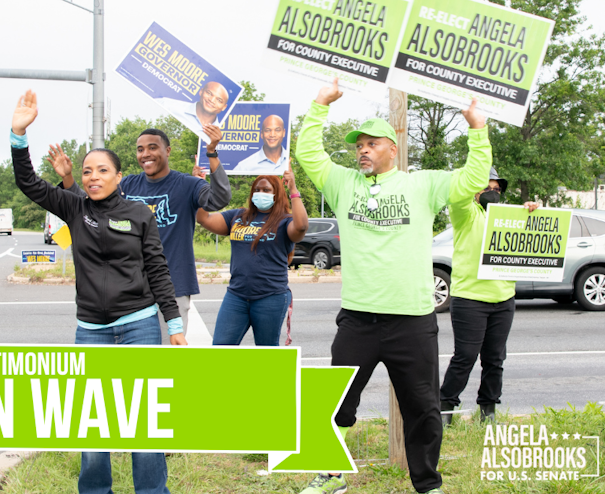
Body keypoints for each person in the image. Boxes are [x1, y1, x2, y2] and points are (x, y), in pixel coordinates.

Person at [294, 78, 491, 494]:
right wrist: (319, 104)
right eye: (358, 145)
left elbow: (473, 177)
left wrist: (477, 128)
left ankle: (428, 484)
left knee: (423, 408)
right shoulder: (343, 184)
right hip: (359, 319)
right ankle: (330, 475)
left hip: (412, 319)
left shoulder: (423, 185)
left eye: (371, 143)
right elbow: (308, 152)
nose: (362, 150)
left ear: (392, 149)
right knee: (336, 402)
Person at [10, 89, 185, 494]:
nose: (92, 177)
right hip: (90, 330)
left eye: (102, 171)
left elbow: (157, 269)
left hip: (140, 326)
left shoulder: (140, 214)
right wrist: (19, 135)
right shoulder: (74, 207)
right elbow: (28, 184)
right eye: (87, 171)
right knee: (93, 425)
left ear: (118, 176)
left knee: (142, 423)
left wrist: (173, 323)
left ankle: (152, 491)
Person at [55, 124, 231, 343]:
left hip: (173, 286)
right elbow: (88, 204)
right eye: (140, 149)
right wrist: (69, 178)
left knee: (160, 369)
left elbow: (220, 198)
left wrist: (212, 153)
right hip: (132, 292)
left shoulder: (188, 185)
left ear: (167, 151)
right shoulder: (127, 184)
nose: (145, 154)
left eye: (152, 147)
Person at [440, 168, 540, 424]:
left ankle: (488, 410)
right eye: (486, 189)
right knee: (465, 357)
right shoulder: (465, 213)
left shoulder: (509, 217)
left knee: (495, 359)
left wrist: (530, 210)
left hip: (503, 298)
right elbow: (459, 192)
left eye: (497, 190)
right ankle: (445, 409)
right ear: (474, 191)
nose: (492, 193)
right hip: (470, 298)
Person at [195, 171, 308, 345]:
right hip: (236, 296)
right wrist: (199, 185)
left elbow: (301, 226)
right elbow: (203, 218)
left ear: (276, 194)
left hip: (270, 297)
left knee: (265, 358)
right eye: (257, 189)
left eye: (266, 190)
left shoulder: (284, 221)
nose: (260, 193)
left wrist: (292, 188)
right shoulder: (238, 217)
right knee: (220, 350)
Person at [158, 81, 230, 142]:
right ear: (201, 92)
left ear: (224, 107)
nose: (212, 100)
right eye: (209, 93)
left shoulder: (219, 136)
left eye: (219, 100)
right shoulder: (169, 105)